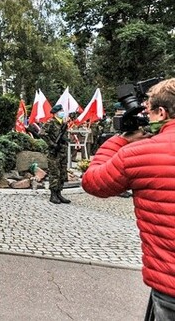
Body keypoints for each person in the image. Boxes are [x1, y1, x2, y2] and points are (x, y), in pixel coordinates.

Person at [82, 78, 175, 319]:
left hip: (170, 287)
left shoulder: (140, 152)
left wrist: (121, 140)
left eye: (150, 111)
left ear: (162, 113)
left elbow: (93, 182)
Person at [42, 103, 71, 205]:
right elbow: (42, 133)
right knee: (55, 173)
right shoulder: (51, 122)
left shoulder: (63, 123)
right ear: (55, 113)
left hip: (62, 151)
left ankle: (59, 193)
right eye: (60, 111)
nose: (62, 113)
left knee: (62, 172)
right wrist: (52, 144)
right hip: (54, 152)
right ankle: (53, 195)